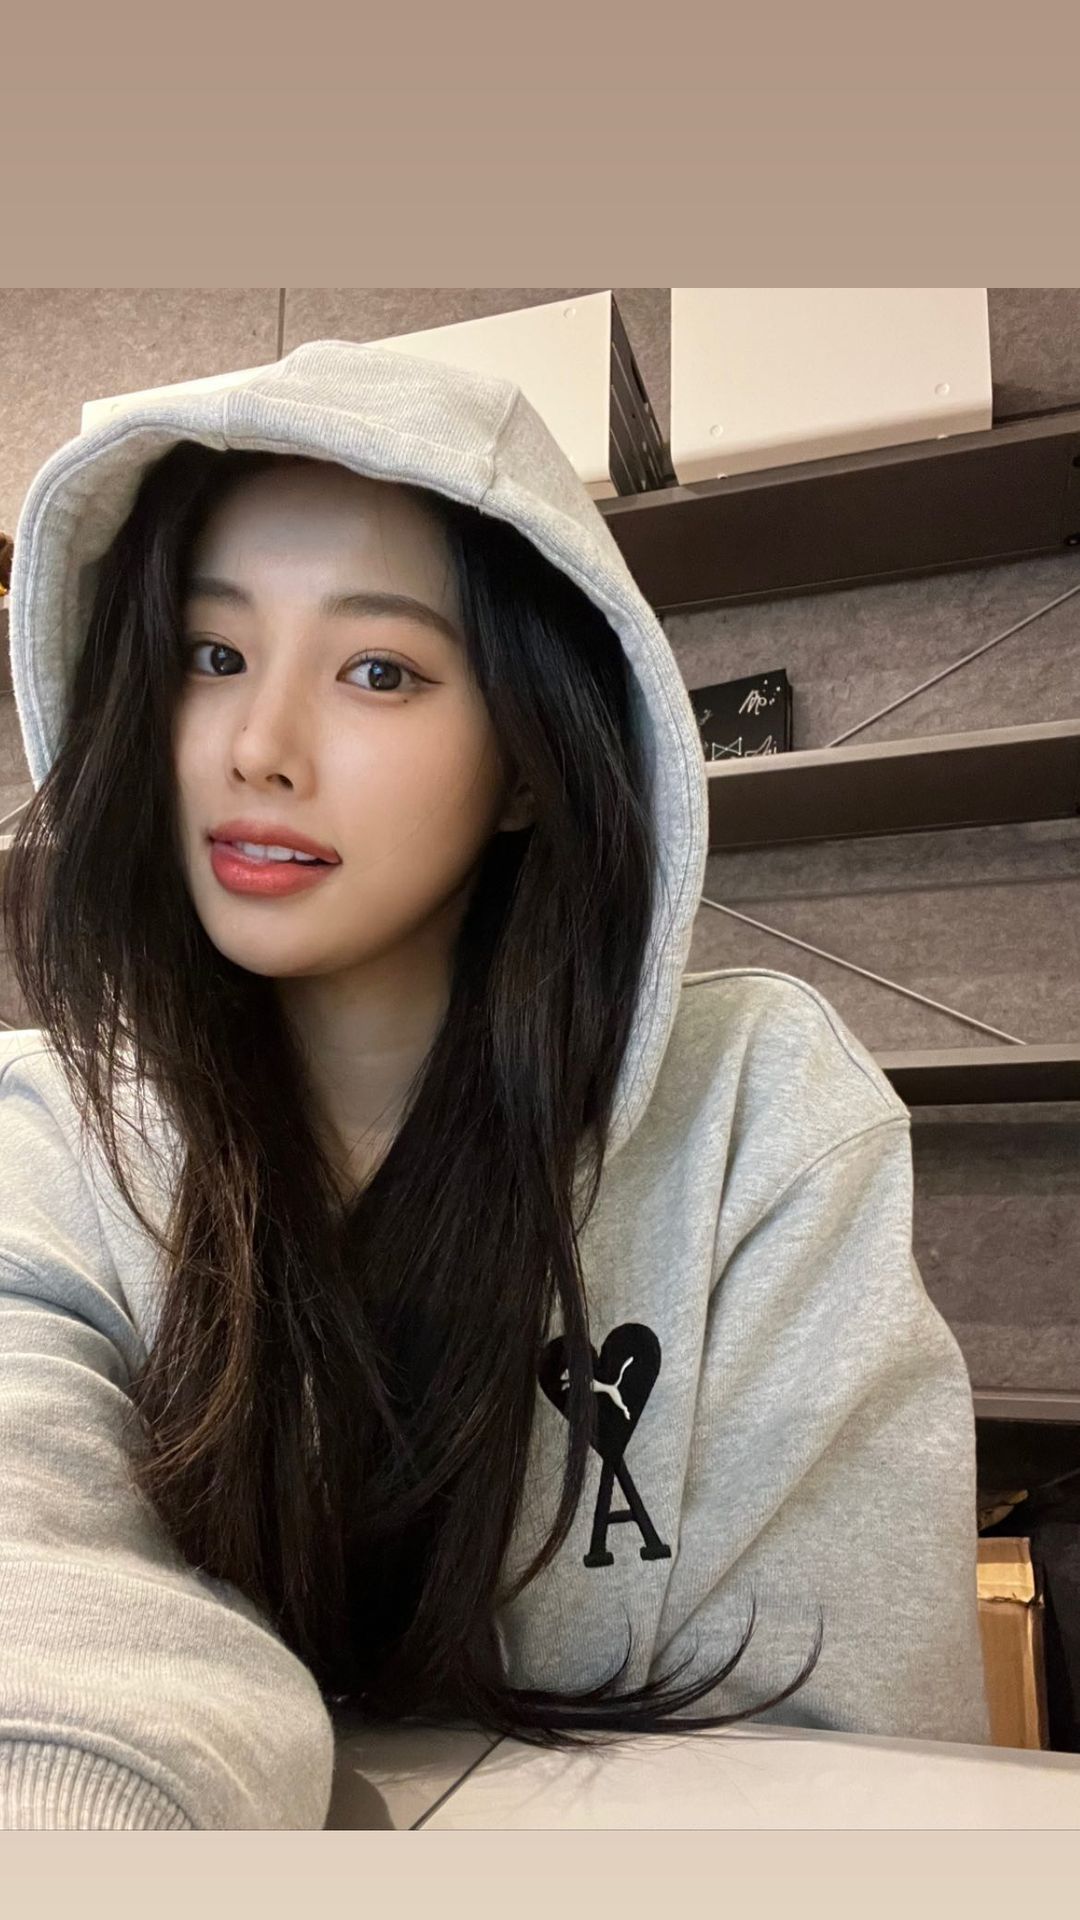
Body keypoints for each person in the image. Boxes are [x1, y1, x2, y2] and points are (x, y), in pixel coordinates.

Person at [0, 339, 990, 1830]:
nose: (258, 749)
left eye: (378, 671)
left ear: (525, 762)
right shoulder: (51, 1134)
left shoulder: (756, 1120)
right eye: (211, 655)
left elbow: (857, 1763)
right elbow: (36, 1584)